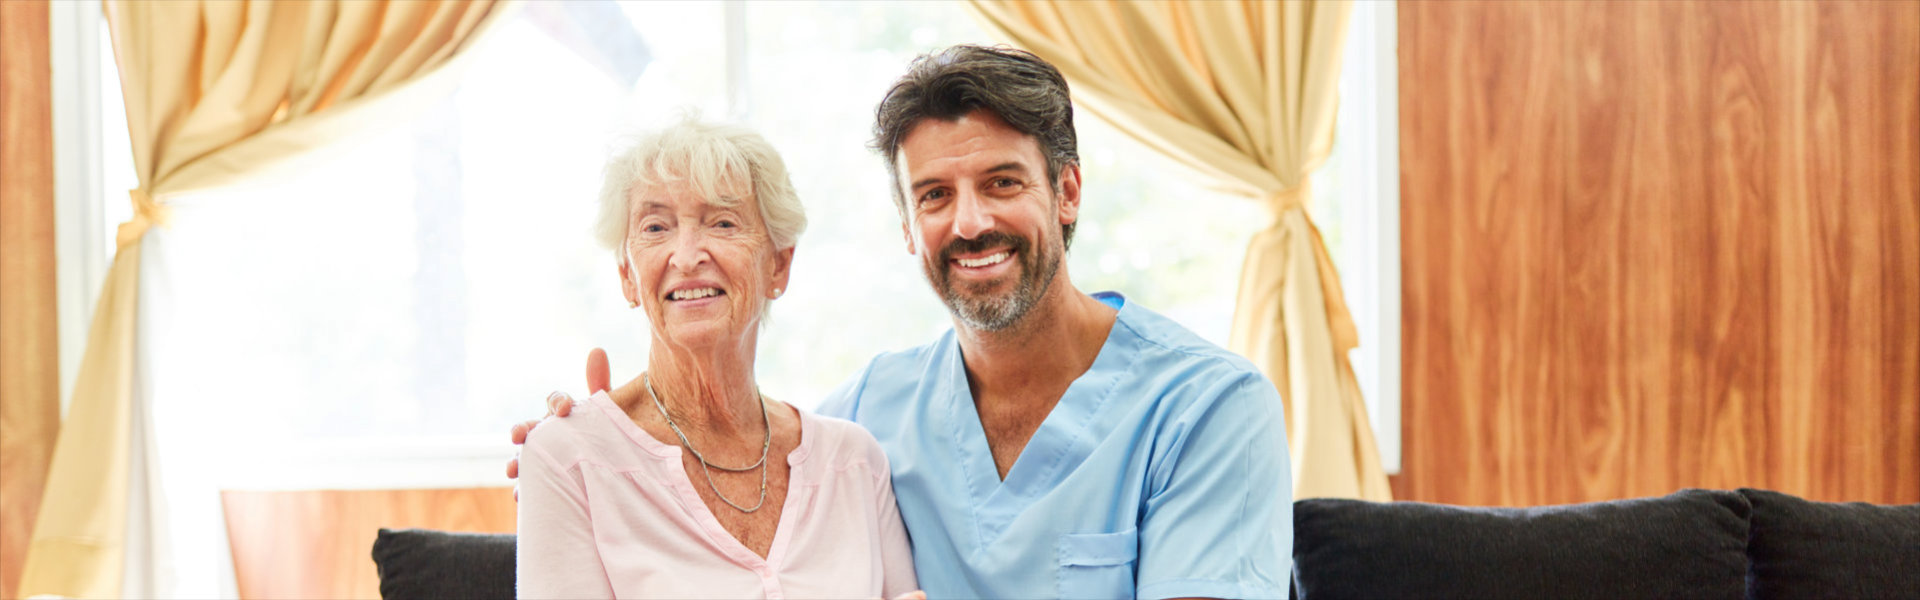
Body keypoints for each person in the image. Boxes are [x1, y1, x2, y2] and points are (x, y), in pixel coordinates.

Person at [514, 45, 1291, 599]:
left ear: (1068, 193)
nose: (971, 222)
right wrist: (590, 441)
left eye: (1002, 181)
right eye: (934, 196)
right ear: (907, 225)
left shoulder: (1210, 411)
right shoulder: (866, 422)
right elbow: (729, 469)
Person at [512, 115, 918, 599]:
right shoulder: (569, 459)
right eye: (656, 226)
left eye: (722, 222)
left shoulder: (853, 462)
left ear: (779, 265)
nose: (686, 256)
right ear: (627, 275)